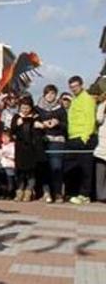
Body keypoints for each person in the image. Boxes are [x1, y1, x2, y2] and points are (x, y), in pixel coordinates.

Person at [64, 76, 98, 204]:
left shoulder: (87, 99)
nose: (74, 89)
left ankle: (85, 195)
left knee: (86, 168)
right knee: (71, 167)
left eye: (76, 86)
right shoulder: (75, 100)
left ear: (81, 85)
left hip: (84, 138)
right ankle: (74, 192)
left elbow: (90, 119)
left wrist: (85, 137)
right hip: (73, 137)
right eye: (71, 87)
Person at [10, 96, 46, 202]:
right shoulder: (16, 117)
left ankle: (29, 191)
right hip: (20, 148)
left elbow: (41, 132)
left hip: (32, 148)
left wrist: (40, 126)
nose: (25, 110)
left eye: (27, 107)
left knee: (31, 172)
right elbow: (12, 132)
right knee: (20, 172)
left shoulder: (36, 117)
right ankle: (19, 191)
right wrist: (17, 125)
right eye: (23, 107)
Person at [37, 84, 67, 203]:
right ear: (44, 94)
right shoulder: (38, 108)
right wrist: (40, 124)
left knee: (56, 167)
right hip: (43, 141)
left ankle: (58, 193)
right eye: (48, 93)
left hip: (57, 141)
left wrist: (57, 122)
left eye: (53, 93)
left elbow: (66, 125)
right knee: (44, 167)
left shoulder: (60, 109)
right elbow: (33, 121)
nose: (50, 96)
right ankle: (46, 192)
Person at [0, 129, 16, 199]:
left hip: (9, 165)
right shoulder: (0, 146)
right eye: (3, 137)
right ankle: (3, 193)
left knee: (10, 180)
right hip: (1, 166)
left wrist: (7, 155)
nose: (4, 139)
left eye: (6, 137)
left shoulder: (12, 145)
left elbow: (14, 155)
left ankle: (10, 194)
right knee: (2, 181)